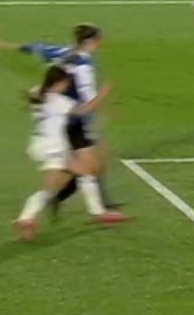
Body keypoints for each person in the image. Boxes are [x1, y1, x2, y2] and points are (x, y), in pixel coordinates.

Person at [0, 22, 117, 212]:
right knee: (89, 166)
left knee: (93, 162)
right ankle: (58, 200)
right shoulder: (83, 65)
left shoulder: (62, 52)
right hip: (73, 118)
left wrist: (6, 45)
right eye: (98, 41)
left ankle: (88, 203)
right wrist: (102, 109)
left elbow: (34, 48)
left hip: (58, 116)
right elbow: (88, 96)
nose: (99, 45)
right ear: (90, 41)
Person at [12, 64, 128, 240]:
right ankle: (26, 218)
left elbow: (33, 100)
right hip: (53, 149)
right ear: (58, 83)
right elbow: (85, 109)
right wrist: (104, 92)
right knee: (61, 185)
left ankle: (98, 213)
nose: (66, 86)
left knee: (79, 177)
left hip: (40, 145)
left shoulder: (37, 93)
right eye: (65, 83)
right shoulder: (59, 101)